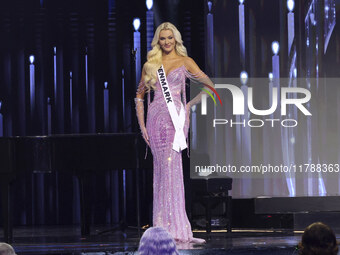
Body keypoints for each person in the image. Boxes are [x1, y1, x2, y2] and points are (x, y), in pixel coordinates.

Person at [135, 22, 210, 243]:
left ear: (175, 39)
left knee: (173, 169)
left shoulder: (185, 62)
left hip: (176, 119)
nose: (166, 42)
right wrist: (142, 127)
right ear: (158, 40)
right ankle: (162, 228)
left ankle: (179, 229)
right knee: (161, 171)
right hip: (155, 120)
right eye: (163, 38)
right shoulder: (151, 64)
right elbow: (139, 96)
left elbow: (209, 86)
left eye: (170, 38)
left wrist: (188, 106)